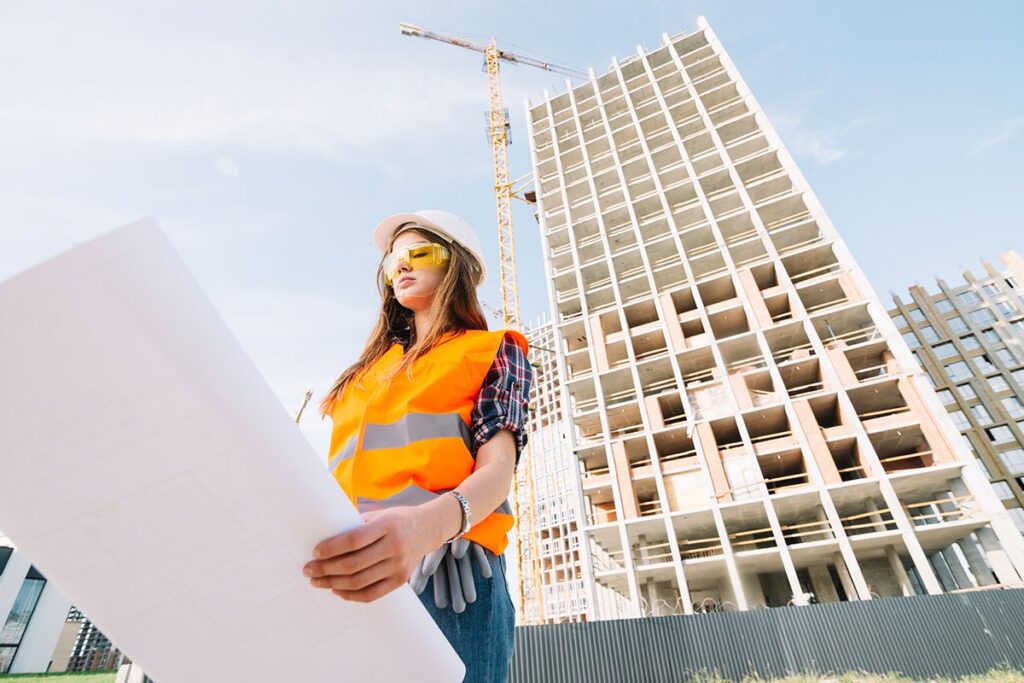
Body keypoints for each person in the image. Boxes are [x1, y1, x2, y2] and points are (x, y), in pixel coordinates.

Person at [302, 209, 533, 683]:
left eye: (418, 253)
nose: (401, 267)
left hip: (448, 577)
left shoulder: (489, 349)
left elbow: (498, 469)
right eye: (391, 262)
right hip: (350, 569)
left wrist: (433, 528)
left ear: (457, 266)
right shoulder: (362, 373)